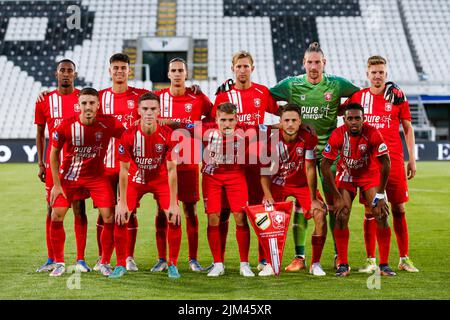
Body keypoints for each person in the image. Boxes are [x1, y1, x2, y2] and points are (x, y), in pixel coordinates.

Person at [269, 42, 406, 271]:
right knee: (303, 205)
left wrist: (388, 88)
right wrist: (286, 117)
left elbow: (360, 97)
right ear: (303, 63)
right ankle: (300, 257)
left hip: (332, 153)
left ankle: (337, 256)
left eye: (317, 62)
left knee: (335, 207)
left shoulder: (337, 84)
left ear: (325, 63)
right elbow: (266, 97)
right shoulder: (291, 84)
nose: (313, 67)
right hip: (302, 153)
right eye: (310, 62)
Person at [342, 56, 419, 273]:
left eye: (381, 72)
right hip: (368, 165)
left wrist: (412, 158)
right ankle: (371, 260)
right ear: (367, 74)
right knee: (370, 211)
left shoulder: (397, 98)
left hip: (393, 161)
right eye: (374, 72)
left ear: (386, 74)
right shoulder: (358, 97)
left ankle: (404, 258)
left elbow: (408, 128)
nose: (377, 76)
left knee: (398, 208)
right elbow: (342, 114)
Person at [213, 51, 279, 270]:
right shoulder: (224, 95)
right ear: (233, 69)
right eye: (238, 66)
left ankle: (262, 259)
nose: (242, 70)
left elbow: (281, 112)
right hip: (232, 164)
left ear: (253, 68)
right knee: (225, 212)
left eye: (246, 66)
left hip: (256, 162)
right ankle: (218, 262)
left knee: (260, 209)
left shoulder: (262, 92)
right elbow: (212, 121)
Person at [48, 87, 125, 277]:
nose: (88, 107)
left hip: (97, 177)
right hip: (70, 178)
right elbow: (53, 154)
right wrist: (57, 185)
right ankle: (59, 262)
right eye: (84, 103)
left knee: (109, 217)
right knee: (56, 216)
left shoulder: (109, 123)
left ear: (98, 105)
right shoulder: (66, 125)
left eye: (92, 103)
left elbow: (128, 136)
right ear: (78, 105)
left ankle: (105, 262)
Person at [152, 57, 213, 273]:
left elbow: (213, 117)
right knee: (162, 210)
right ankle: (161, 258)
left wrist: (187, 125)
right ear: (168, 74)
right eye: (173, 70)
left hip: (188, 162)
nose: (177, 74)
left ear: (186, 74)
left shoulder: (197, 98)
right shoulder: (158, 98)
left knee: (190, 209)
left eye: (181, 70)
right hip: (163, 164)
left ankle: (193, 259)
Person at [321, 103, 396, 277]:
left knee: (381, 213)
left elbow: (386, 163)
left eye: (357, 118)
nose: (354, 122)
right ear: (344, 119)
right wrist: (337, 196)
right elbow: (325, 166)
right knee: (341, 214)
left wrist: (380, 193)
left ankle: (384, 265)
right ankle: (343, 264)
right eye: (350, 118)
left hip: (369, 175)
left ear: (364, 119)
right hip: (346, 174)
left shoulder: (372, 133)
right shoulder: (338, 134)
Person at [116, 92, 182, 278]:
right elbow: (123, 170)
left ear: (159, 111)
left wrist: (174, 203)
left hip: (160, 179)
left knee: (174, 216)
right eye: (145, 109)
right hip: (136, 179)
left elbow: (171, 170)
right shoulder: (128, 135)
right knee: (121, 216)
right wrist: (121, 201)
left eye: (153, 109)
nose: (149, 113)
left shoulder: (169, 135)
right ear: (138, 111)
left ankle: (172, 264)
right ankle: (121, 264)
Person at [94, 53, 150, 272]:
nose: (119, 71)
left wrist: (194, 89)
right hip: (105, 164)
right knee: (105, 212)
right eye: (115, 67)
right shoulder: (100, 98)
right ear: (109, 71)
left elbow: (158, 105)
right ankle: (102, 257)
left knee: (130, 212)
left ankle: (128, 256)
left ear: (129, 70)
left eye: (123, 68)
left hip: (132, 165)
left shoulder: (140, 97)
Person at [34, 59, 90, 273]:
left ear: (75, 75)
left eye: (69, 71)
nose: (66, 74)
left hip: (77, 164)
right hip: (53, 164)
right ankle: (52, 258)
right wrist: (41, 162)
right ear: (55, 74)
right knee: (51, 210)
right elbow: (40, 132)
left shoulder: (83, 99)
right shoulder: (44, 100)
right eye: (62, 70)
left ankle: (81, 259)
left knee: (79, 209)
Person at [260, 104, 328, 276]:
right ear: (280, 122)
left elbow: (310, 167)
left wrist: (313, 198)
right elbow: (265, 172)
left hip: (301, 184)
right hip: (278, 183)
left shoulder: (308, 137)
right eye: (286, 120)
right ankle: (269, 263)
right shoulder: (269, 140)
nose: (290, 124)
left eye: (294, 120)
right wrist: (268, 195)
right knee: (267, 217)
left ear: (300, 122)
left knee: (320, 213)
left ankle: (315, 264)